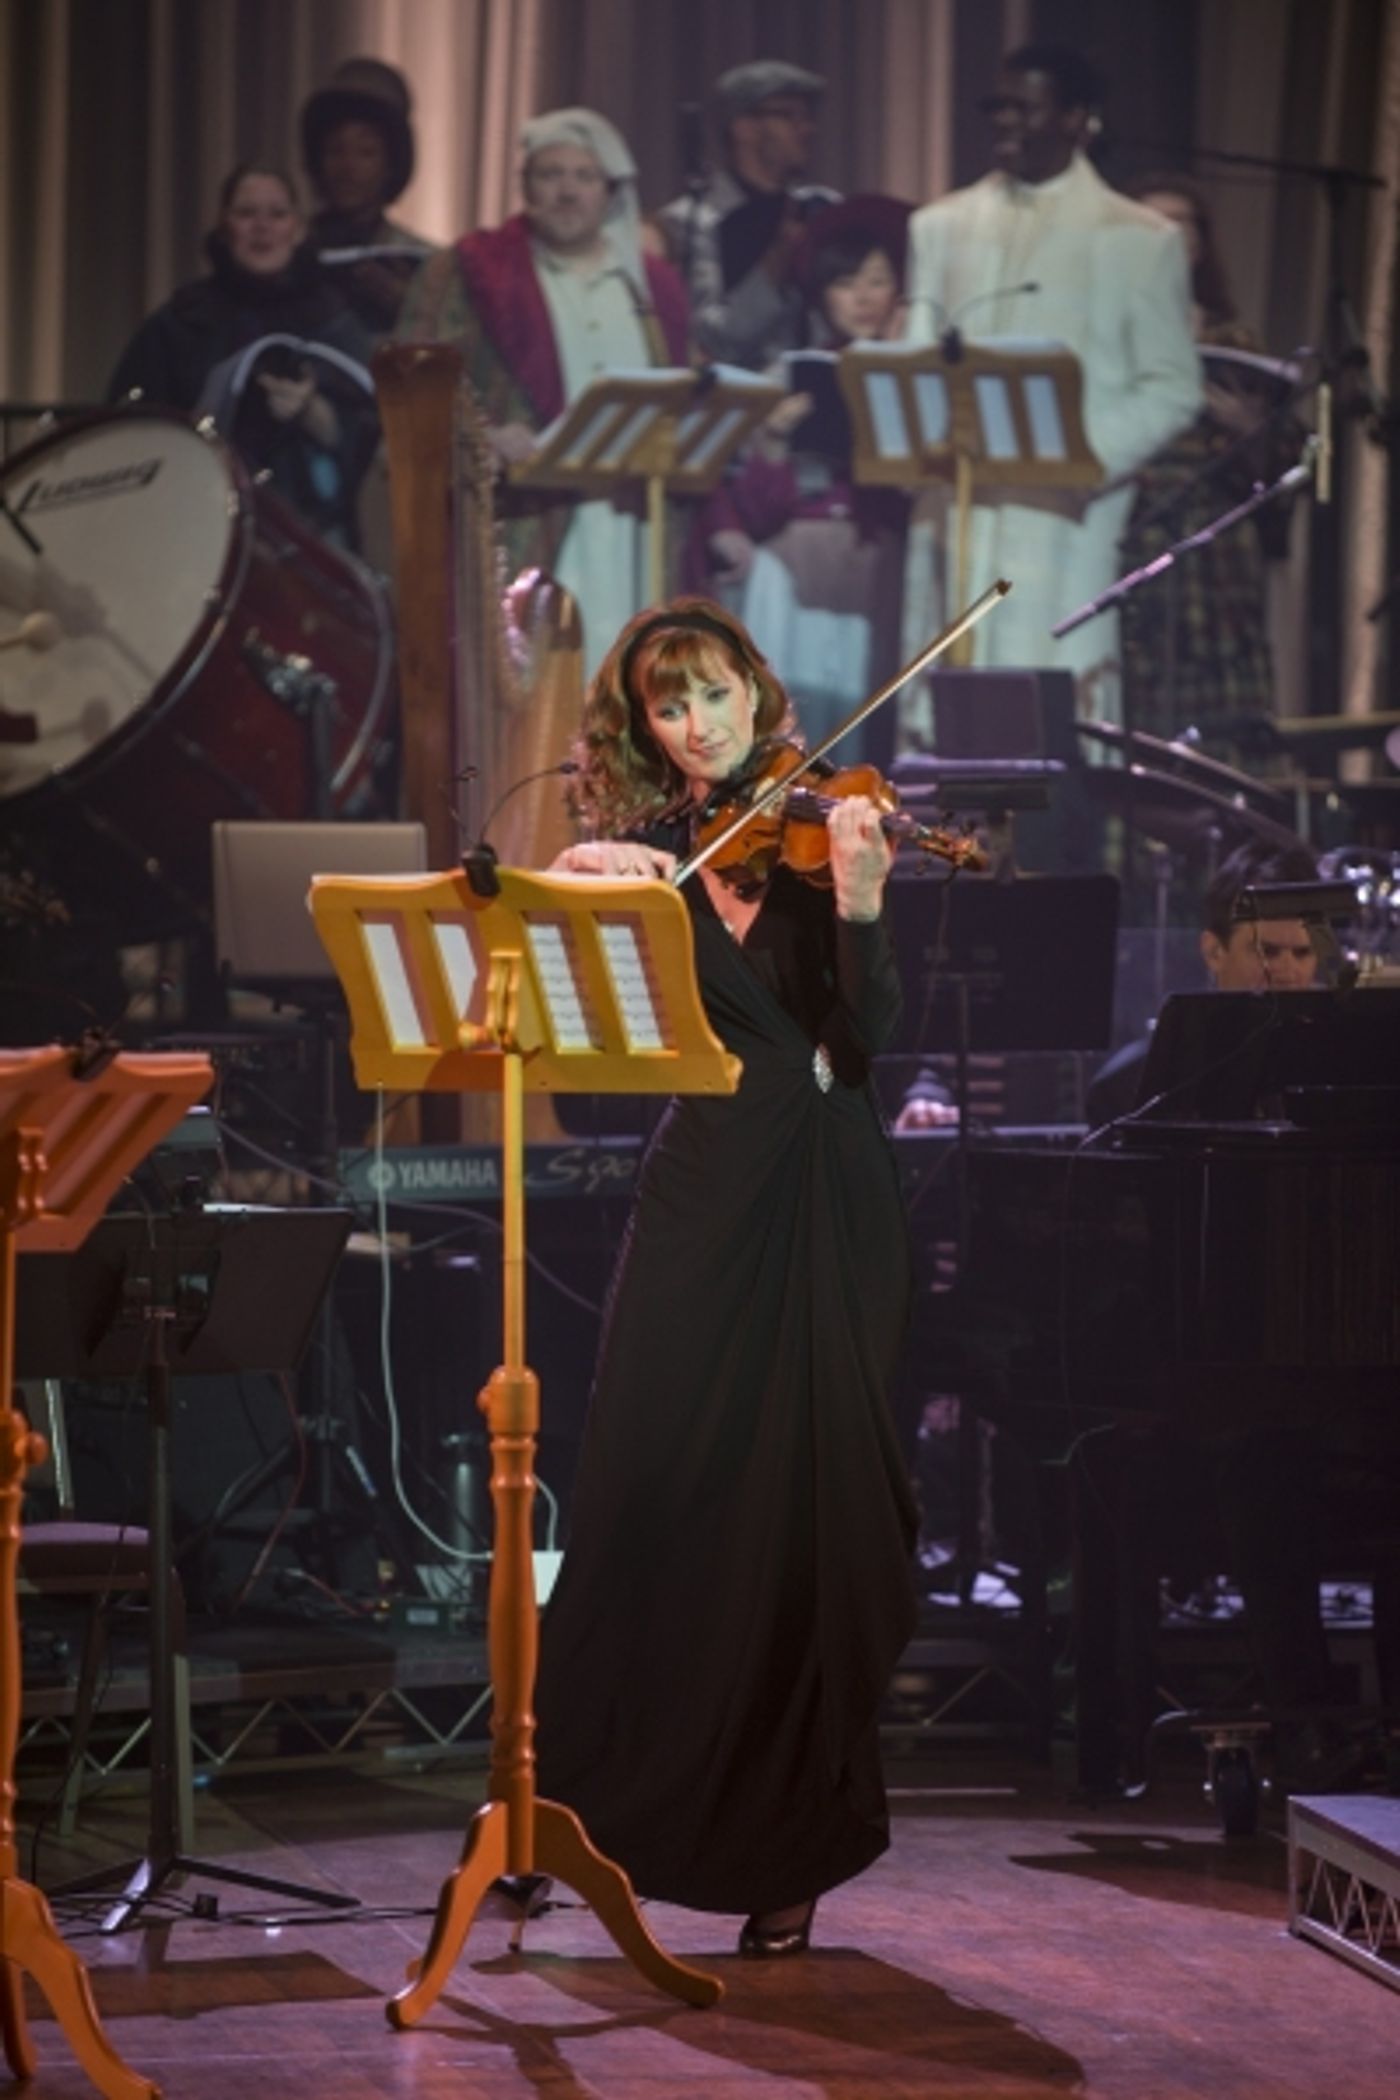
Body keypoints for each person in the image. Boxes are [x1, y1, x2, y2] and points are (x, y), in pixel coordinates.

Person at [534, 598, 918, 1955]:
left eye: (711, 694)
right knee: (646, 1478)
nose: (695, 725)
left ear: (756, 691)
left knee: (806, 1510)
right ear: (645, 727)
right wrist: (578, 881)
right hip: (700, 1182)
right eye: (667, 706)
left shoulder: (833, 830)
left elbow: (874, 1046)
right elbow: (586, 1056)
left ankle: (786, 1849)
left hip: (821, 1183)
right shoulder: (653, 853)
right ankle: (585, 1807)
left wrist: (861, 904)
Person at [902, 44, 1202, 729]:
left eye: (1024, 108)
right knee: (942, 719)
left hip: (1064, 516)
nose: (1005, 121)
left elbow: (1173, 386)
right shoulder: (941, 226)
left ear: (1075, 118)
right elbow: (914, 363)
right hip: (955, 508)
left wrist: (1075, 457)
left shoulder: (1139, 239)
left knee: (1048, 723)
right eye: (997, 106)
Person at [396, 108, 689, 676]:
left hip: (632, 526)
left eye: (584, 176)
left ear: (609, 191)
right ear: (524, 186)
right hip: (528, 519)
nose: (567, 191)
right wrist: (481, 433)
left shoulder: (651, 285)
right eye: (551, 175)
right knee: (535, 687)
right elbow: (415, 381)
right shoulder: (473, 270)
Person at [696, 194, 913, 759]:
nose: (863, 297)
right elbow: (753, 505)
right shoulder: (791, 374)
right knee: (790, 733)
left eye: (877, 281)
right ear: (821, 292)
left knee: (870, 732)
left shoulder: (918, 378)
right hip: (796, 560)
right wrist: (771, 442)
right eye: (846, 282)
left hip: (878, 563)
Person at [1116, 173, 1304, 748]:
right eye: (1151, 224)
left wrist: (1247, 426)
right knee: (1137, 711)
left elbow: (1281, 468)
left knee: (1223, 721)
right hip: (1136, 536)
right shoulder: (1109, 334)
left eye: (1183, 225)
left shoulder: (1233, 339)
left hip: (1217, 554)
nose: (1167, 236)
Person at [108, 162, 377, 548]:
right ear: (224, 227)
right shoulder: (181, 322)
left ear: (298, 230)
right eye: (246, 213)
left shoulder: (337, 323)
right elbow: (128, 433)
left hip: (312, 536)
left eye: (277, 214)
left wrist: (315, 414)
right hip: (197, 528)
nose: (262, 226)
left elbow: (372, 439)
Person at [1084, 841, 1321, 1126]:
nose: (1288, 970)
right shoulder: (1127, 1090)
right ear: (1214, 952)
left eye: (1302, 953)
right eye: (1267, 952)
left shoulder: (1337, 1071)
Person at [658, 60, 838, 369]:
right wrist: (775, 267)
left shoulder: (817, 210)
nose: (807, 129)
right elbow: (707, 341)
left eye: (807, 117)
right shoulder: (689, 222)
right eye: (789, 116)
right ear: (744, 127)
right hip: (736, 395)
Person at [301, 55, 436, 340]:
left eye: (366, 152)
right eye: (335, 150)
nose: (348, 167)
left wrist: (411, 310)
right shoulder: (287, 251)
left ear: (391, 164)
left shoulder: (427, 265)